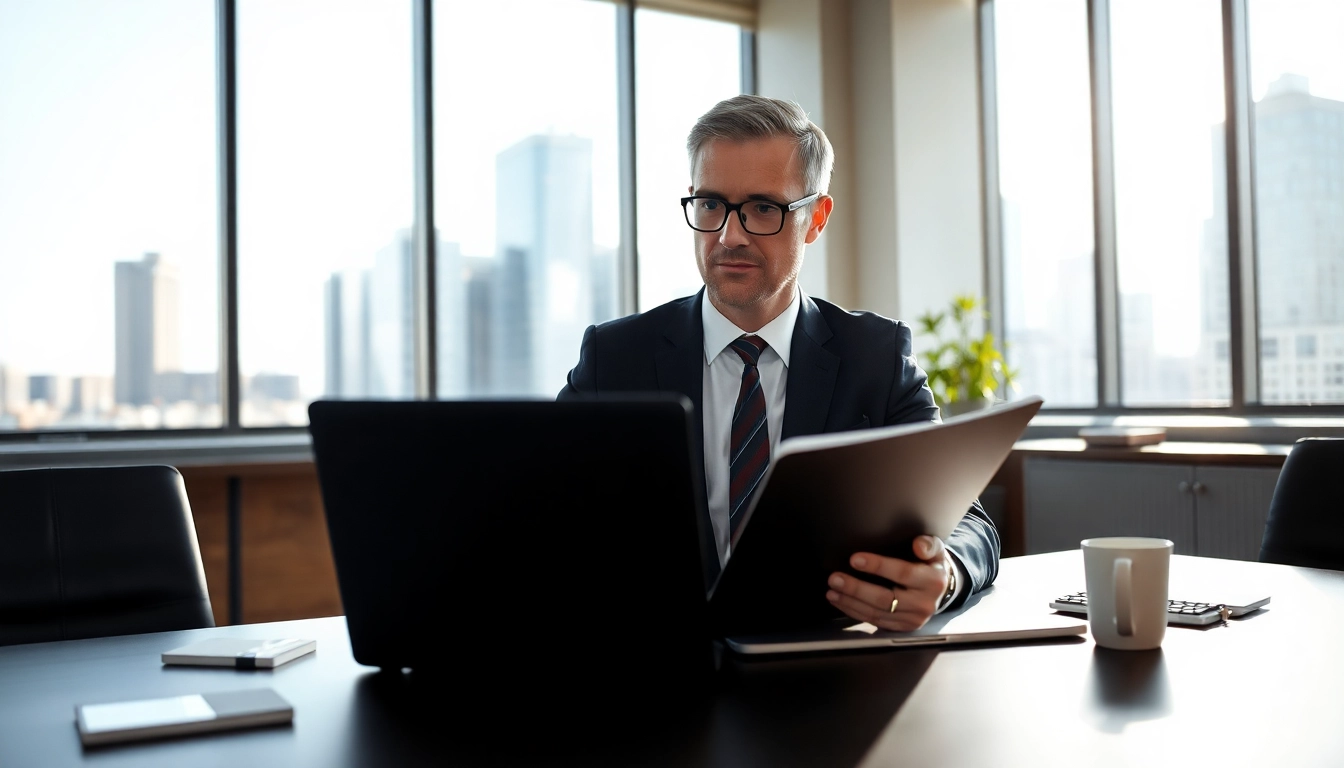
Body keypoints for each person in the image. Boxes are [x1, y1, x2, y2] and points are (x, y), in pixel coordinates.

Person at [558, 94, 997, 631]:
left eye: (764, 208)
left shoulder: (875, 358)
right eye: (712, 204)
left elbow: (967, 519)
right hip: (657, 672)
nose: (729, 235)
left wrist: (945, 574)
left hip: (829, 670)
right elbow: (543, 514)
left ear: (816, 218)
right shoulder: (614, 358)